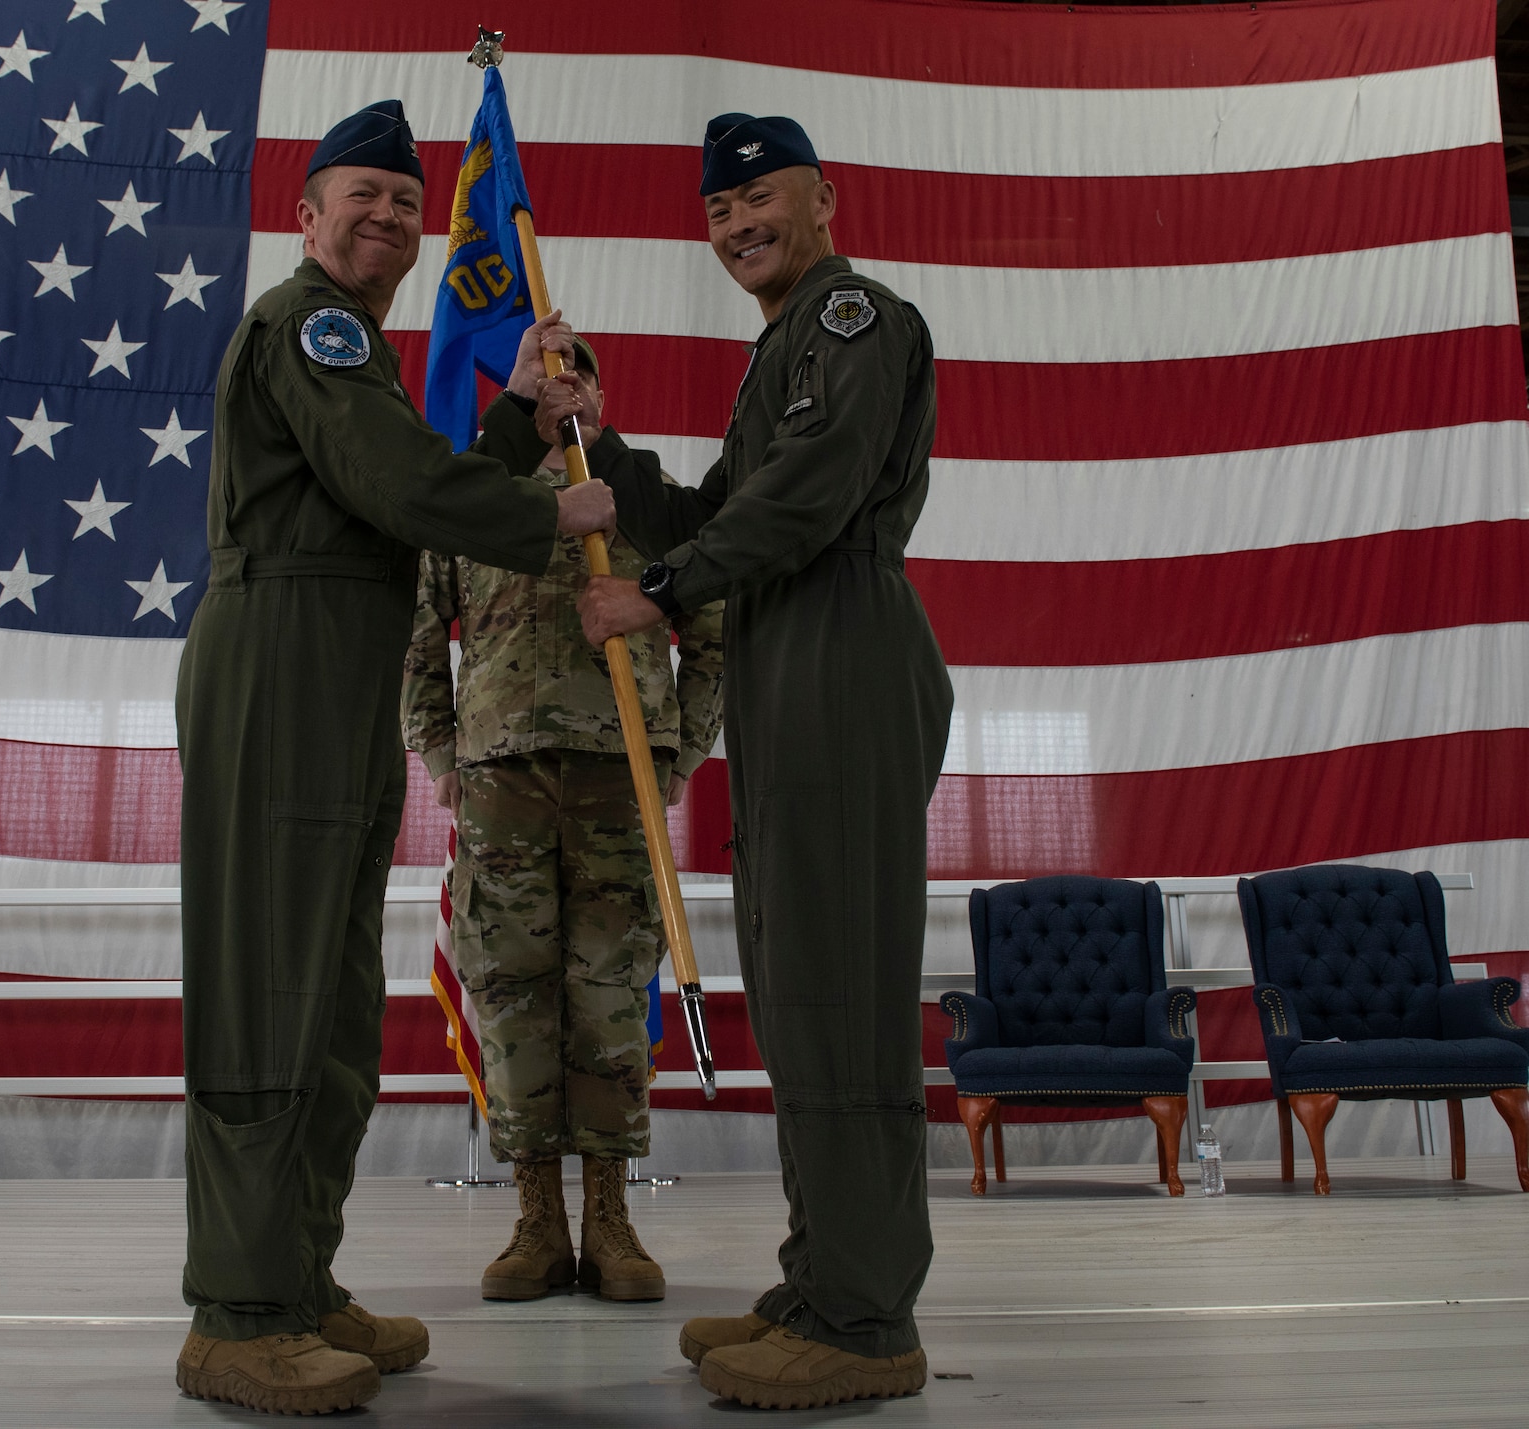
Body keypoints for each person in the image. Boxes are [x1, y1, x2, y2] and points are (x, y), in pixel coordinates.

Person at [173, 99, 617, 1416]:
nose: (384, 216)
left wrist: (512, 419)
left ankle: (297, 1280)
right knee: (268, 984)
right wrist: (549, 508)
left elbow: (393, 487)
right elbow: (393, 486)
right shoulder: (308, 324)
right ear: (305, 218)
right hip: (279, 661)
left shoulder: (351, 349)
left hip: (337, 662)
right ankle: (238, 1313)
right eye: (357, 195)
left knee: (324, 1000)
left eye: (404, 203)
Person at [574, 113, 955, 1410]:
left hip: (843, 639)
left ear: (824, 198)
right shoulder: (777, 349)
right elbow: (722, 504)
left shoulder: (856, 320)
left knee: (842, 985)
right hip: (789, 650)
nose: (738, 224)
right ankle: (820, 1277)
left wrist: (664, 591)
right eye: (718, 210)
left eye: (761, 199)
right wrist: (604, 448)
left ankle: (863, 1322)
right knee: (799, 985)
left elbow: (815, 492)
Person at [402, 335, 727, 1305]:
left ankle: (611, 1220)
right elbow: (420, 637)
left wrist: (681, 749)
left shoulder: (641, 488)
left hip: (613, 772)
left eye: (576, 364)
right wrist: (440, 757)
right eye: (542, 366)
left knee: (609, 991)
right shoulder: (473, 491)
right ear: (518, 387)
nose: (561, 378)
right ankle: (536, 1220)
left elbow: (709, 619)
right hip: (499, 776)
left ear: (599, 387)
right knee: (507, 991)